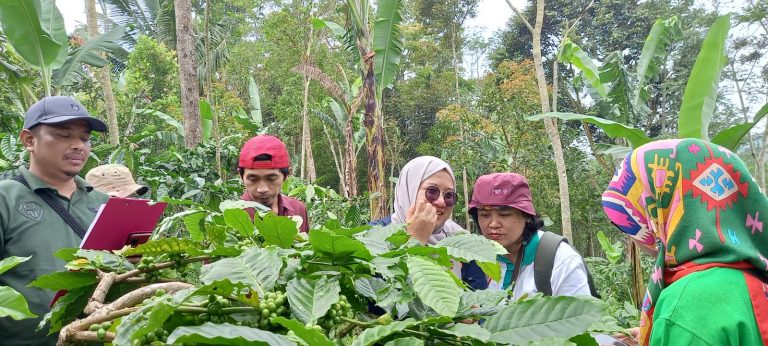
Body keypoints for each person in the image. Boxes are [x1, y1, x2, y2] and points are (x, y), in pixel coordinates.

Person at [601, 138, 768, 345]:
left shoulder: (687, 305)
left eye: (633, 222)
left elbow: (698, 323)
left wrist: (674, 328)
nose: (633, 236)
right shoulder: (752, 273)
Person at [0, 96, 110, 345]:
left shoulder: (105, 203)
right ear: (29, 140)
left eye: (84, 138)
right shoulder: (5, 198)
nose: (78, 146)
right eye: (63, 135)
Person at [468, 173, 591, 299]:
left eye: (504, 214)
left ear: (526, 215)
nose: (493, 224)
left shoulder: (561, 260)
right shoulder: (476, 258)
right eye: (485, 215)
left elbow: (580, 315)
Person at [371, 156, 486, 289]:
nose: (441, 202)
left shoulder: (461, 240)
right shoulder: (374, 235)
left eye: (449, 195)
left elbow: (478, 301)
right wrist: (415, 239)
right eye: (432, 191)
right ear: (410, 189)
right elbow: (374, 302)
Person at [238, 134, 309, 233]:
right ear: (241, 176)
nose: (262, 189)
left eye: (271, 179)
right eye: (253, 179)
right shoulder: (234, 216)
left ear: (287, 174)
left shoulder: (298, 209)